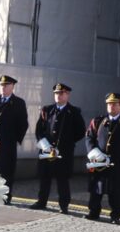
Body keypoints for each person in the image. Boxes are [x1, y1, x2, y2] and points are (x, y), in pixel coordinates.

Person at [30, 83, 85, 214]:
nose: (58, 96)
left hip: (64, 152)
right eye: (56, 93)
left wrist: (67, 143)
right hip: (46, 150)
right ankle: (41, 201)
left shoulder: (74, 112)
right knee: (45, 177)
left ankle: (64, 205)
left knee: (62, 179)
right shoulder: (47, 110)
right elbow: (39, 130)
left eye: (61, 93)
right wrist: (45, 145)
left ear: (67, 95)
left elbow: (81, 131)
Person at [85, 93, 120, 223]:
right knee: (96, 189)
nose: (111, 106)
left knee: (116, 191)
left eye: (115, 104)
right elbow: (89, 137)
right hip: (98, 161)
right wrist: (94, 152)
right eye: (109, 104)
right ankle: (94, 212)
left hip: (118, 163)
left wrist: (119, 154)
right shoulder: (98, 121)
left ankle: (115, 215)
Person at [0, 75, 28, 204]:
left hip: (8, 143)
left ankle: (6, 196)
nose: (3, 87)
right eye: (2, 85)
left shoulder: (18, 102)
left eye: (6, 85)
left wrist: (14, 139)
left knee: (7, 170)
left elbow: (23, 124)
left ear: (13, 86)